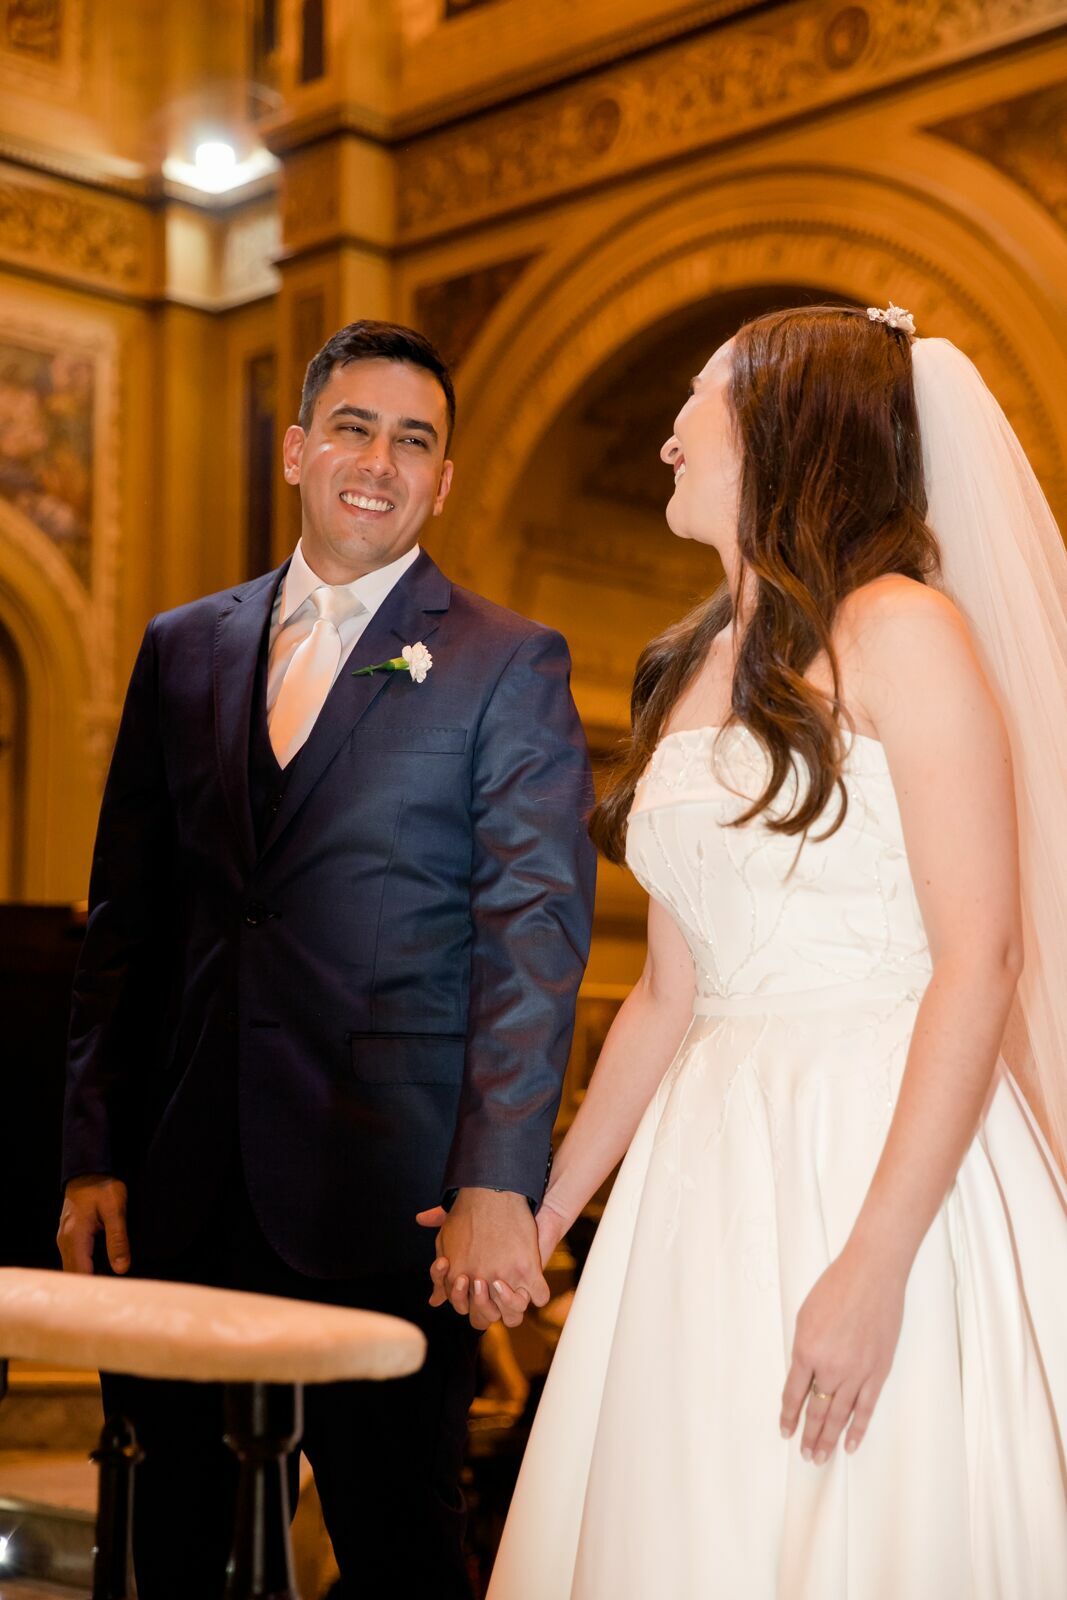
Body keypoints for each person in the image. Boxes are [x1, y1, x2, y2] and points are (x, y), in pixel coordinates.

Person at [473, 304, 1067, 1596]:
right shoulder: (689, 663)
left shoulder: (903, 629)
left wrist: (872, 1261)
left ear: (785, 434)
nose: (672, 436)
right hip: (704, 1169)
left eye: (701, 404)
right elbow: (667, 995)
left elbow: (981, 959)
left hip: (873, 1140)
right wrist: (550, 1209)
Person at [57, 320, 597, 1598]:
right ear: (298, 450)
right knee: (171, 1543)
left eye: (414, 441)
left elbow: (530, 934)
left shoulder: (503, 661)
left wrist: (496, 1178)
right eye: (352, 427)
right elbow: (124, 920)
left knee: (399, 1547)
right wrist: (93, 1147)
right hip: (180, 1183)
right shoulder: (183, 645)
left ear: (441, 481)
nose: (379, 459)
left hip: (387, 1193)